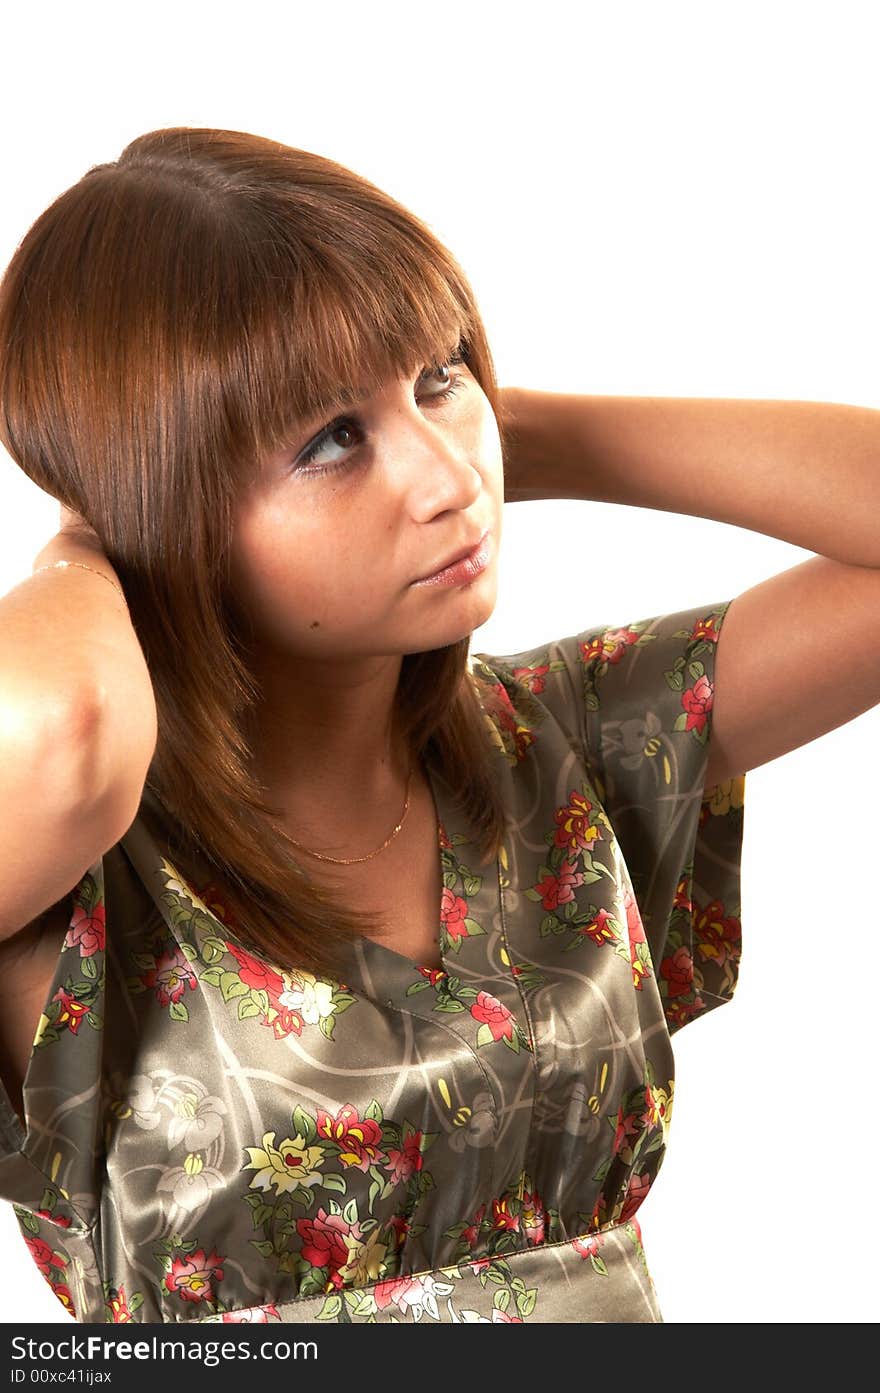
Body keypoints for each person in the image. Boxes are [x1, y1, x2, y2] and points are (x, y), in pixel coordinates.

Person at [0, 127, 877, 1326]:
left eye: (439, 375)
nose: (445, 476)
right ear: (170, 502)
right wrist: (92, 536)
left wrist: (520, 430)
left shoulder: (560, 739)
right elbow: (64, 731)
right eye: (329, 440)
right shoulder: (76, 866)